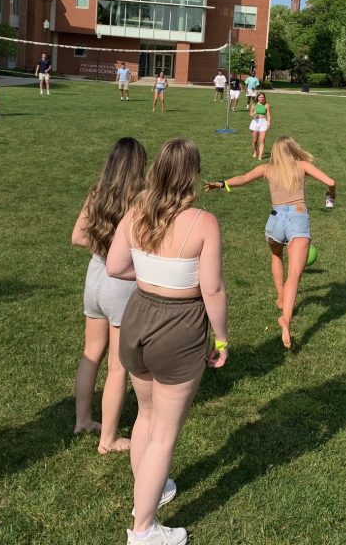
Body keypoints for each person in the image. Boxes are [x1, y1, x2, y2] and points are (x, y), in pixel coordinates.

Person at [106, 138, 228, 545]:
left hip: (137, 318)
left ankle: (150, 494)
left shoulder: (136, 211)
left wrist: (150, 277)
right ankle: (143, 531)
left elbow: (115, 266)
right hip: (179, 328)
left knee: (145, 416)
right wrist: (223, 338)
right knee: (163, 434)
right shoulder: (203, 222)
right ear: (192, 174)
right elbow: (211, 289)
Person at [206, 136, 335, 349]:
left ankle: (281, 298)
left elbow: (244, 178)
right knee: (294, 274)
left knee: (276, 255)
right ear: (293, 149)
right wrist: (331, 195)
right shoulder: (302, 165)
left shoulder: (267, 168)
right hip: (297, 218)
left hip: (275, 221)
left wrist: (221, 184)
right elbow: (331, 182)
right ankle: (286, 317)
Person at [71, 138, 147, 453]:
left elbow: (77, 236)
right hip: (120, 284)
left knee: (91, 354)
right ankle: (108, 439)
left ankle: (83, 420)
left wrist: (102, 250)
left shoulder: (97, 193)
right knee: (118, 367)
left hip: (95, 276)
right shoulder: (141, 200)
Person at [249, 91, 272, 159]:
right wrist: (254, 114)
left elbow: (268, 115)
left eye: (262, 97)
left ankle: (260, 156)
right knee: (255, 140)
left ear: (264, 98)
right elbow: (250, 114)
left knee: (262, 140)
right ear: (257, 98)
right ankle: (255, 152)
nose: (261, 98)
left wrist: (269, 122)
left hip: (263, 123)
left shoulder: (267, 105)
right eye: (260, 97)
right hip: (255, 122)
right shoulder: (254, 104)